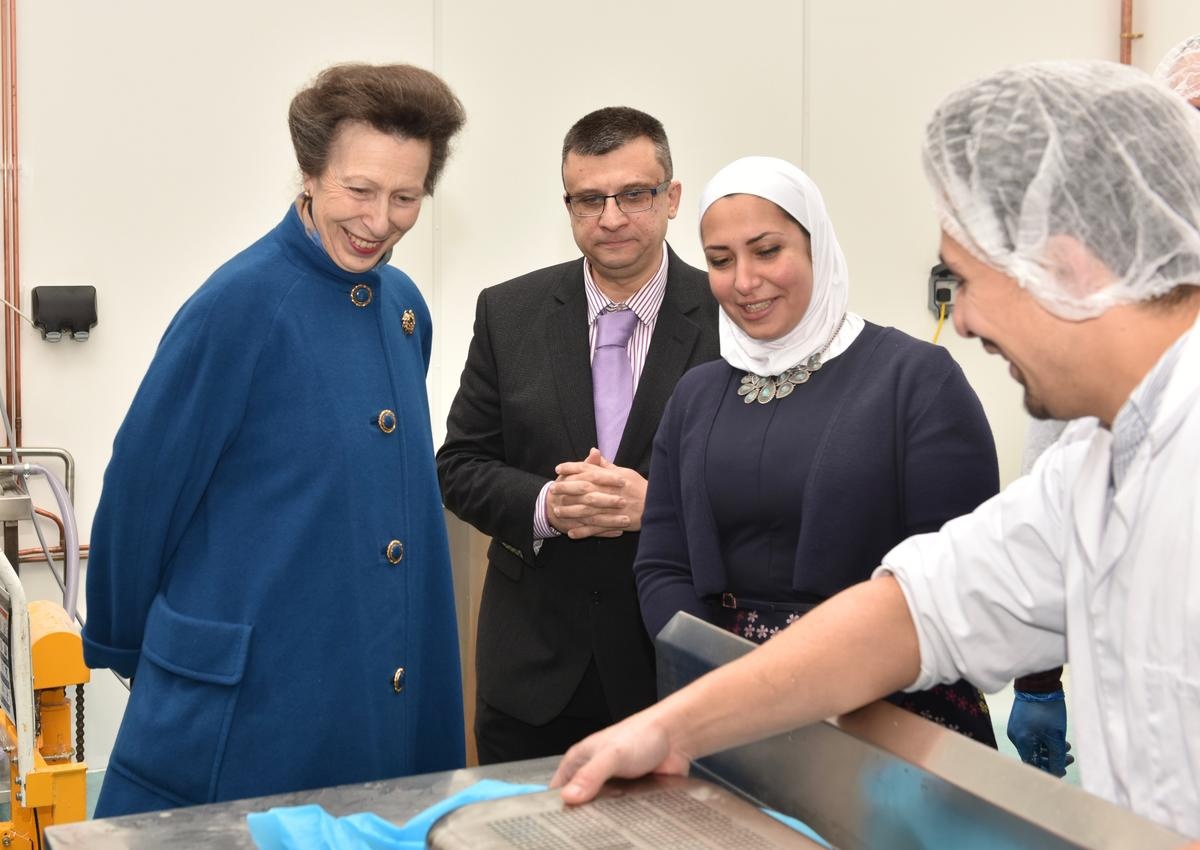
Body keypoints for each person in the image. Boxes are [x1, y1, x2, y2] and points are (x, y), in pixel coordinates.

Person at [552, 60, 1200, 839]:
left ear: (1064, 264)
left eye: (960, 278)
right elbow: (915, 609)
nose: (958, 319)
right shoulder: (1090, 468)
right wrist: (676, 726)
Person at [82, 63, 467, 816]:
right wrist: (132, 646)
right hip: (261, 697)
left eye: (405, 197)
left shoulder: (404, 309)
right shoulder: (240, 304)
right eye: (359, 190)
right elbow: (142, 489)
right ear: (311, 172)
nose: (380, 219)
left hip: (377, 680)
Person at [634, 156, 998, 745]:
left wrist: (797, 682)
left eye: (767, 250)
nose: (745, 280)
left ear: (816, 248)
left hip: (886, 709)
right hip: (725, 707)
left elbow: (956, 570)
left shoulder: (914, 379)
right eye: (721, 261)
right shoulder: (697, 393)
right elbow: (662, 564)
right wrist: (725, 683)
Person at [437, 107, 720, 764]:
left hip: (677, 674)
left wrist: (656, 507)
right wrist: (549, 506)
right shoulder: (509, 313)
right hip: (534, 680)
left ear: (671, 198)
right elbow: (460, 464)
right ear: (568, 204)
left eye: (634, 195)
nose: (612, 217)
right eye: (589, 199)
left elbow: (767, 485)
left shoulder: (730, 319)